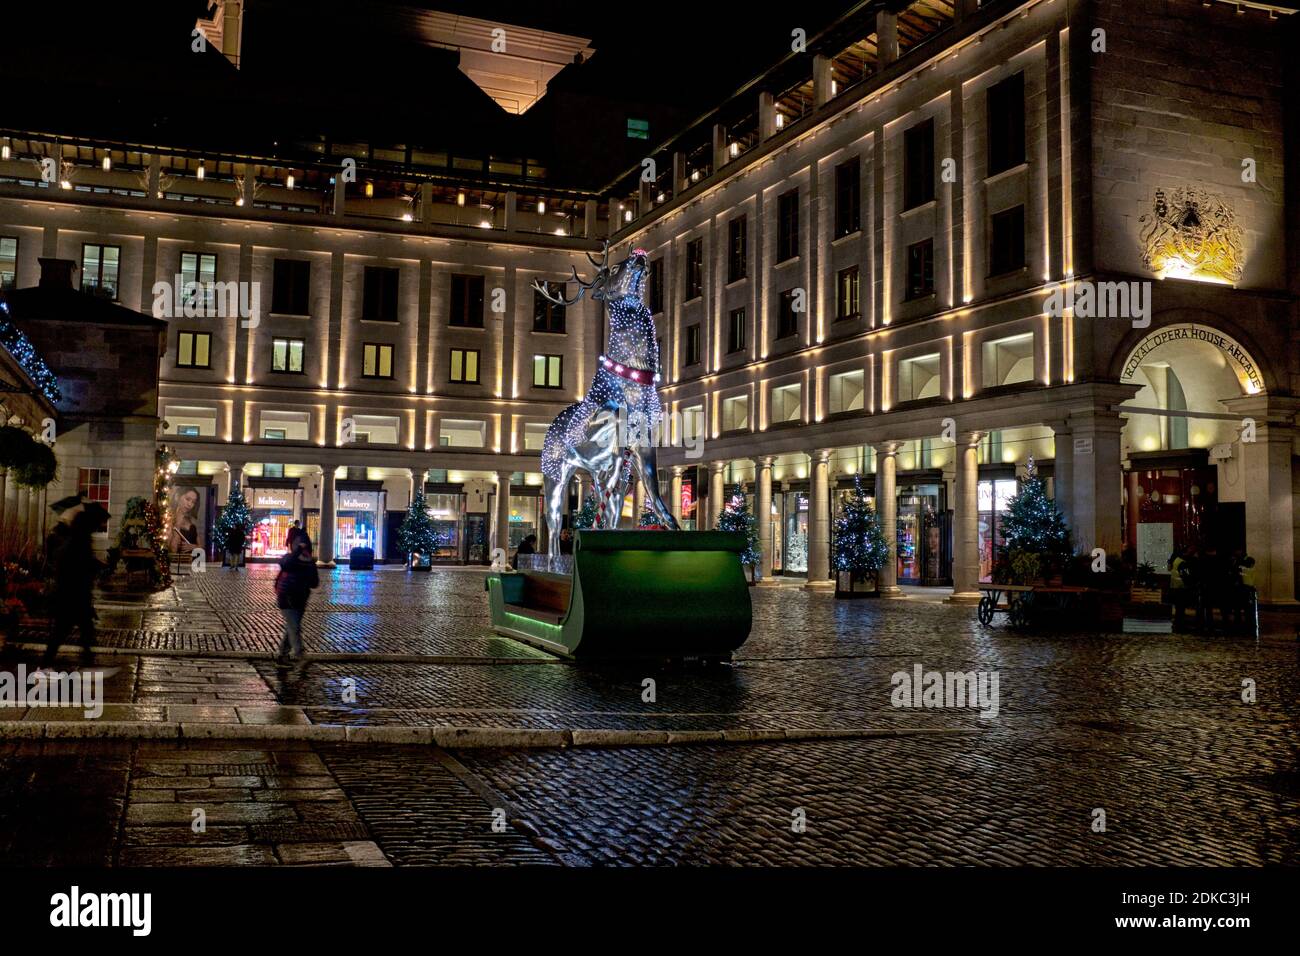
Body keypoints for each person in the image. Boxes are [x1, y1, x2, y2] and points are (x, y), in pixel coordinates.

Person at [43, 503, 109, 666]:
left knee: (82, 631)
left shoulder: (79, 541)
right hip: (72, 596)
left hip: (74, 596)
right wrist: (94, 566)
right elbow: (78, 567)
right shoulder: (77, 543)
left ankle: (87, 662)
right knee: (62, 633)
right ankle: (46, 664)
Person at [274, 537, 319, 661]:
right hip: (286, 598)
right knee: (294, 627)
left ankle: (282, 654)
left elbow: (314, 583)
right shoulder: (289, 559)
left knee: (292, 627)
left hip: (300, 599)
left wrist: (310, 565)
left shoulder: (310, 563)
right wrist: (298, 552)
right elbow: (286, 564)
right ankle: (300, 654)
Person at [169, 487, 202, 552]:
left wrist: (193, 547)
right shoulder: (168, 520)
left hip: (193, 561)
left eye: (193, 502)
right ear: (177, 497)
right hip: (177, 561)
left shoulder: (192, 521)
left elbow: (201, 548)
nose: (190, 504)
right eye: (187, 499)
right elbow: (173, 550)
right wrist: (177, 524)